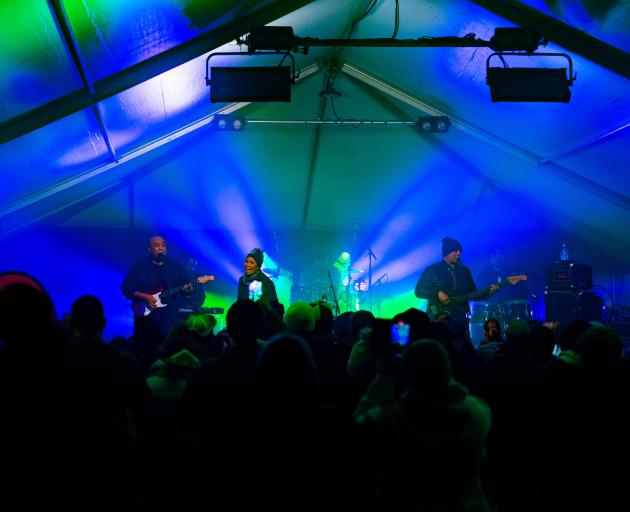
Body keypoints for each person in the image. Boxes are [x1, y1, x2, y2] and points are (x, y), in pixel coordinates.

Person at [414, 237, 497, 344]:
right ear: (447, 252)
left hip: (460, 319)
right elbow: (418, 291)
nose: (459, 254)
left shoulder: (464, 271)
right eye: (456, 251)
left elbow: (473, 294)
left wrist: (490, 292)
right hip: (439, 318)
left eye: (460, 251)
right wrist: (437, 293)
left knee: (462, 348)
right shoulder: (432, 270)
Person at [121, 235, 191, 339]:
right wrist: (145, 296)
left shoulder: (174, 267)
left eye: (163, 245)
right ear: (149, 249)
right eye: (157, 245)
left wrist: (187, 291)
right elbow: (126, 287)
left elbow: (183, 288)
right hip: (145, 317)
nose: (161, 248)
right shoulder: (140, 267)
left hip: (168, 319)